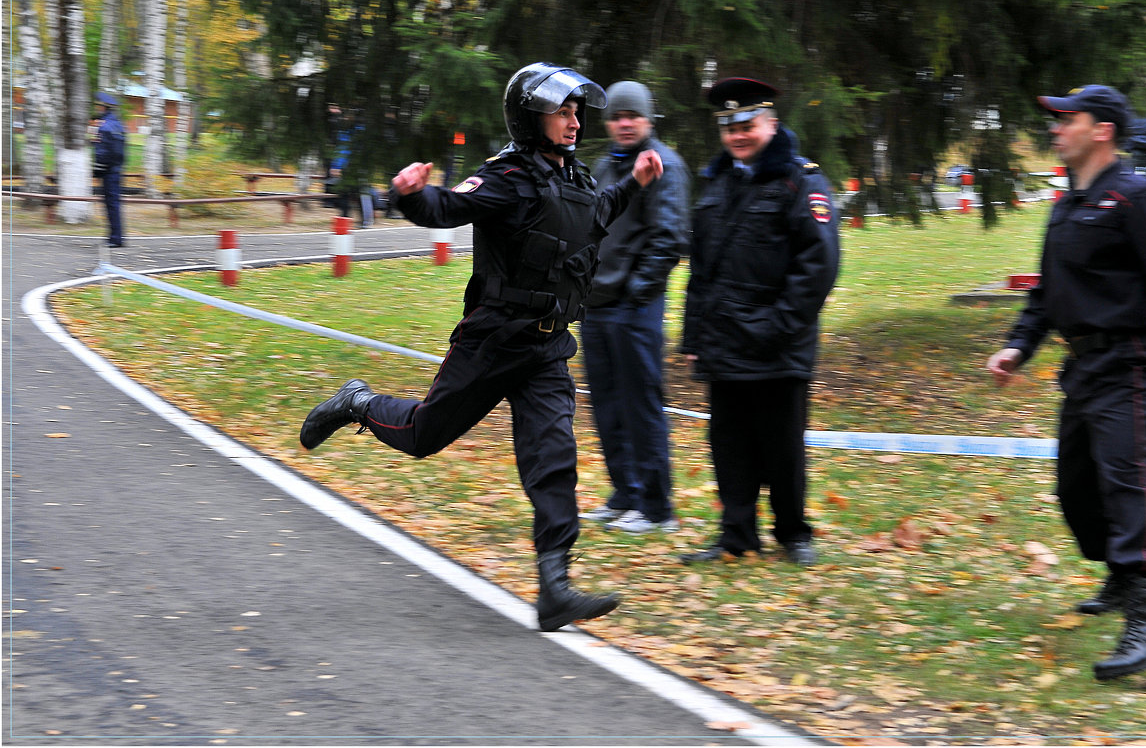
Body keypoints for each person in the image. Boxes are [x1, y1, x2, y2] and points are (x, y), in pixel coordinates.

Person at [298, 62, 664, 632]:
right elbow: (449, 207)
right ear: (530, 118)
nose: (572, 122)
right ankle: (358, 403)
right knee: (424, 435)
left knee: (553, 460)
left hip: (546, 350)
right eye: (560, 112)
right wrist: (411, 197)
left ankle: (554, 585)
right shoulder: (508, 177)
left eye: (575, 112)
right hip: (492, 344)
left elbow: (600, 215)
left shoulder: (580, 179)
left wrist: (635, 183)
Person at [987, 84, 1146, 681]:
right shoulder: (1069, 203)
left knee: (1128, 480)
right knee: (1078, 488)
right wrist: (1017, 346)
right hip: (1084, 367)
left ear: (1101, 129)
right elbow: (1047, 292)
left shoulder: (1138, 198)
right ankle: (1119, 574)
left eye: (1066, 119)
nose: (1055, 128)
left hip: (1129, 361)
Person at [677, 77, 840, 566]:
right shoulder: (718, 184)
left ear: (770, 123)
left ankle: (793, 534)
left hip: (777, 345)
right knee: (728, 445)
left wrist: (777, 327)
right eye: (729, 128)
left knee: (782, 446)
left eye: (747, 124)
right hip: (724, 343)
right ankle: (737, 536)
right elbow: (701, 270)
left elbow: (819, 266)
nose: (738, 136)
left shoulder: (801, 181)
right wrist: (693, 335)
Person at [578, 81, 689, 534]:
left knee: (641, 405)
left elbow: (669, 237)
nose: (625, 124)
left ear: (648, 119)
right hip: (596, 307)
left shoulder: (667, 165)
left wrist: (638, 290)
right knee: (606, 404)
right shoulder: (605, 166)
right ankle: (625, 494)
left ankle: (657, 508)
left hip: (634, 308)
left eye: (634, 116)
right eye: (617, 117)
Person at [93, 92, 126, 248]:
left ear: (102, 107)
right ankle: (116, 236)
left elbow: (102, 151)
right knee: (115, 204)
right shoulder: (119, 125)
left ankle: (115, 238)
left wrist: (97, 170)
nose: (97, 108)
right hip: (117, 169)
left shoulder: (104, 126)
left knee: (110, 204)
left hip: (107, 171)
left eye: (98, 105)